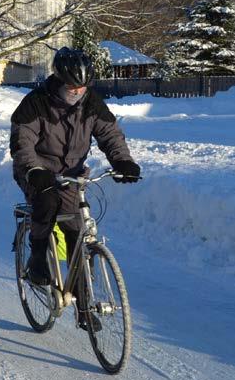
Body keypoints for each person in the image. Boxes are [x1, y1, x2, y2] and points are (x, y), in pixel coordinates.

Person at [10, 47, 141, 329]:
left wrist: (123, 162)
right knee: (45, 203)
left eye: (81, 88)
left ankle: (84, 307)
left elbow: (109, 134)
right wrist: (34, 170)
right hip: (36, 172)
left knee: (76, 231)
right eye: (71, 88)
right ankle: (37, 257)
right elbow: (22, 143)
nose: (76, 94)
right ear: (59, 80)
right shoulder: (35, 103)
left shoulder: (91, 103)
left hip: (71, 174)